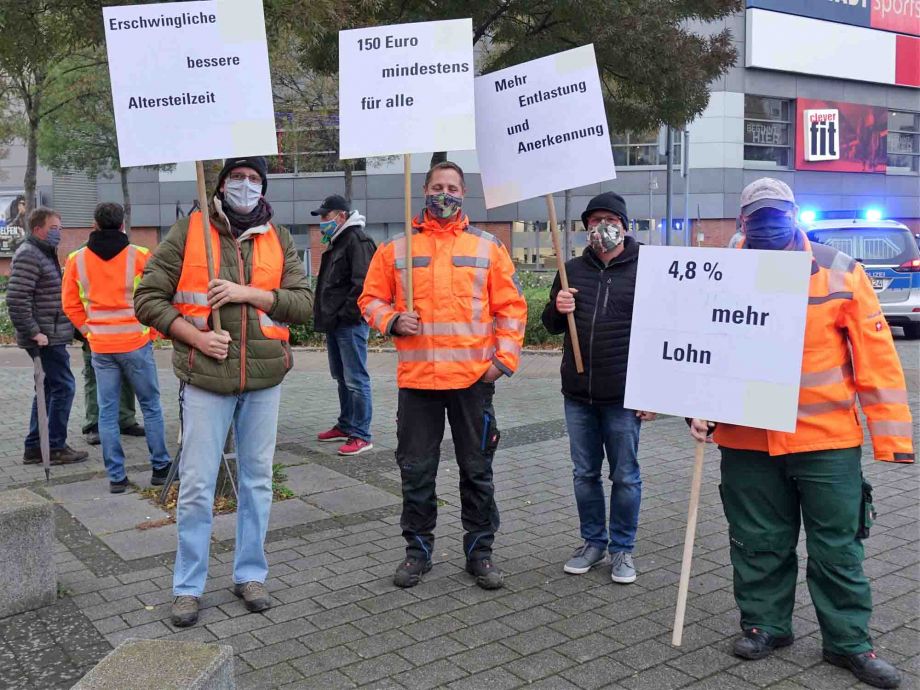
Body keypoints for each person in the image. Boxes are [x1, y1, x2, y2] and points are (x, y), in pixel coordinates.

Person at [689, 177, 913, 690]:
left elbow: (876, 358)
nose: (768, 224)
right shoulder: (716, 274)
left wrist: (892, 439)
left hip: (825, 439)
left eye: (777, 214)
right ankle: (765, 626)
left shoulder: (840, 271)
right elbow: (695, 348)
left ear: (794, 216)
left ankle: (849, 642)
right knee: (757, 541)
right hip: (747, 438)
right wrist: (694, 409)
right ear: (742, 221)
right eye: (758, 216)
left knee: (838, 548)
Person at [134, 156, 313, 627]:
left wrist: (245, 293)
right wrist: (195, 338)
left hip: (264, 380)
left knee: (257, 482)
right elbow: (147, 299)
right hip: (206, 379)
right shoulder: (189, 231)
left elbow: (302, 304)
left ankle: (250, 575)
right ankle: (187, 586)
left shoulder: (278, 237)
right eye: (238, 177)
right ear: (220, 184)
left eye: (255, 179)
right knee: (196, 486)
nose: (246, 185)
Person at [358, 161, 528, 590]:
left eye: (452, 187)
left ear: (463, 193)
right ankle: (417, 552)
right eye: (437, 186)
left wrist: (503, 361)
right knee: (416, 472)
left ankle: (480, 553)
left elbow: (511, 308)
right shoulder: (395, 248)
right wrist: (392, 320)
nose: (444, 194)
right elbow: (369, 299)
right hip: (419, 382)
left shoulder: (488, 247)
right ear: (424, 191)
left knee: (477, 470)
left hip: (473, 382)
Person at [541, 192, 655, 584]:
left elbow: (661, 332)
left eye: (609, 220)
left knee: (625, 476)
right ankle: (593, 542)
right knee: (584, 473)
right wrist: (558, 307)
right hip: (578, 394)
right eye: (593, 221)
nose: (601, 227)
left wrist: (651, 392)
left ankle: (622, 548)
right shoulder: (570, 269)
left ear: (624, 225)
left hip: (624, 395)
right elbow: (551, 325)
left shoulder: (647, 269)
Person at [62, 202, 170, 494]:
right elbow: (158, 296)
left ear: (94, 224)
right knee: (150, 407)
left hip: (101, 346)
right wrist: (153, 331)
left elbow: (70, 304)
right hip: (136, 343)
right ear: (123, 224)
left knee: (107, 412)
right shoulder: (141, 255)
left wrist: (88, 331)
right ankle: (160, 468)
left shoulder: (76, 259)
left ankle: (117, 478)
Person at [7, 207, 87, 466]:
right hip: (44, 336)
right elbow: (16, 298)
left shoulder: (43, 252)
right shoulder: (30, 254)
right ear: (37, 229)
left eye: (60, 228)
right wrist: (34, 332)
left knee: (48, 389)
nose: (58, 233)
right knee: (63, 387)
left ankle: (34, 447)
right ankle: (54, 447)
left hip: (51, 333)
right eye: (53, 228)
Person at [311, 194, 377, 456]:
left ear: (341, 216)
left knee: (355, 379)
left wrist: (346, 315)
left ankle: (361, 434)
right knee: (342, 377)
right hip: (336, 323)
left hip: (349, 324)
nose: (322, 222)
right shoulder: (339, 240)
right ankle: (347, 424)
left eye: (325, 216)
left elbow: (364, 284)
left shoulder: (357, 240)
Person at [80, 339, 144, 446]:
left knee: (127, 376)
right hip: (96, 340)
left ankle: (126, 421)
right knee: (94, 378)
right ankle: (94, 424)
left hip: (125, 340)